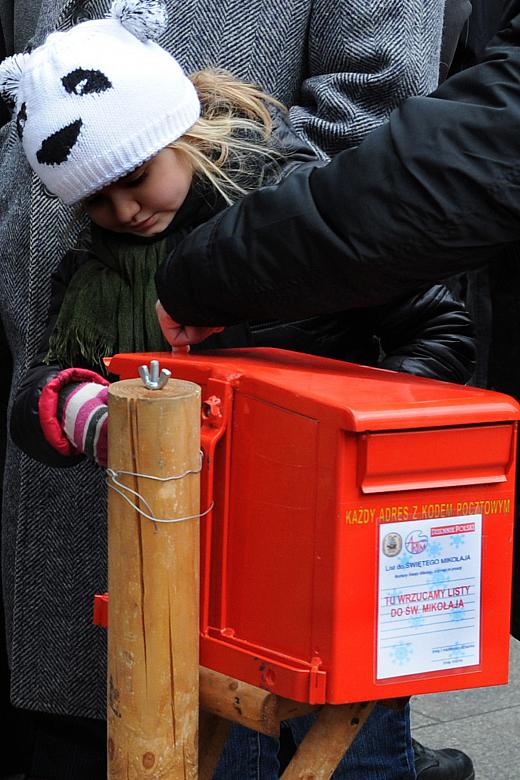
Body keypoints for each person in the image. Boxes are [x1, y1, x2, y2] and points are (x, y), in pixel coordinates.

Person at [0, 0, 474, 778]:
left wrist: (365, 425)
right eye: (94, 200)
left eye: (134, 177)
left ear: (174, 134)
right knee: (230, 753)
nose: (122, 210)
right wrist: (88, 415)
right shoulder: (95, 264)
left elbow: (438, 327)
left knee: (360, 747)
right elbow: (40, 390)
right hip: (209, 573)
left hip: (343, 544)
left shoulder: (296, 214)